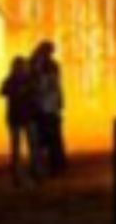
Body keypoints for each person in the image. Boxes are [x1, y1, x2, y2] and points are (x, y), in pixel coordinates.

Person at [0, 55, 37, 185]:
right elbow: (2, 91)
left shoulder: (29, 80)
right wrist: (17, 91)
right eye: (19, 66)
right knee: (16, 147)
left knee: (32, 146)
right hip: (16, 117)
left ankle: (33, 172)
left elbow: (36, 94)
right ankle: (17, 174)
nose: (21, 69)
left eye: (22, 66)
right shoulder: (11, 80)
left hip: (26, 117)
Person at [32, 42, 66, 175]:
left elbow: (57, 85)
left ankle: (54, 163)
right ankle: (49, 164)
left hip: (49, 106)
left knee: (51, 136)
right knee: (45, 137)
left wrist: (59, 101)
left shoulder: (50, 64)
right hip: (42, 106)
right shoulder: (36, 63)